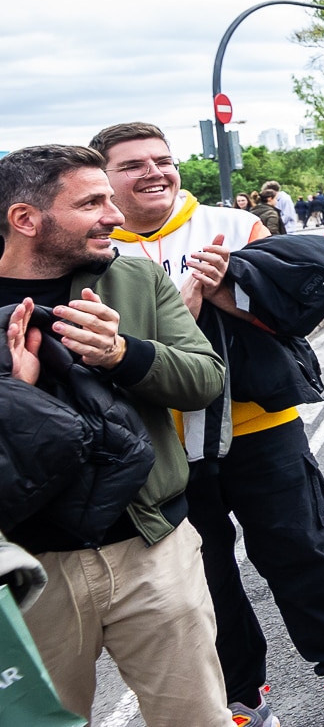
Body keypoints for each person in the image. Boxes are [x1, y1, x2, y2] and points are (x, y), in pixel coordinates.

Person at [90, 123, 324, 726]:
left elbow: (289, 324)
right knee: (205, 580)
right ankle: (242, 700)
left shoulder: (231, 225)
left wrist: (227, 294)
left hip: (255, 425)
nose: (154, 173)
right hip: (159, 447)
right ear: (105, 179)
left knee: (301, 551)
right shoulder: (92, 249)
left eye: (162, 160)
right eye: (133, 165)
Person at [2, 145, 234, 727]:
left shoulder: (132, 274)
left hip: (151, 547)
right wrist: (18, 394)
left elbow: (205, 380)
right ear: (26, 219)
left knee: (197, 719)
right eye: (92, 202)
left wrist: (122, 354)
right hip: (27, 572)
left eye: (110, 197)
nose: (115, 215)